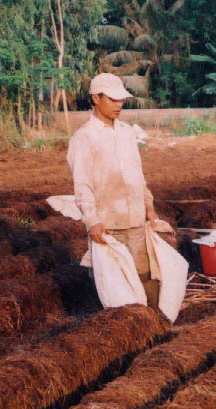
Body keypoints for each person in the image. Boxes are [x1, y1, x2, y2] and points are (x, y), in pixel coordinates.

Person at [67, 72, 162, 310]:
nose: (119, 104)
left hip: (135, 219)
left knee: (145, 273)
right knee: (115, 283)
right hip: (108, 224)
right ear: (96, 98)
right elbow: (82, 185)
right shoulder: (85, 137)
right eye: (112, 99)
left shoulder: (127, 132)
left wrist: (149, 207)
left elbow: (138, 176)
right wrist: (93, 221)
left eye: (121, 99)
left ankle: (155, 323)